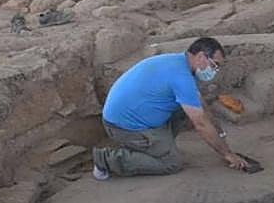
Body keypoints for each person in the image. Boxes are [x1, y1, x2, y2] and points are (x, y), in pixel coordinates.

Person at [92, 37, 248, 179]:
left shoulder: (177, 62)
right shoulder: (181, 77)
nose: (214, 71)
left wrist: (218, 130)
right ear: (201, 56)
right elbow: (200, 123)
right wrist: (227, 154)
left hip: (132, 115)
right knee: (172, 163)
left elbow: (199, 103)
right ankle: (105, 159)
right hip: (124, 127)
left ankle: (157, 147)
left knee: (187, 109)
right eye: (214, 65)